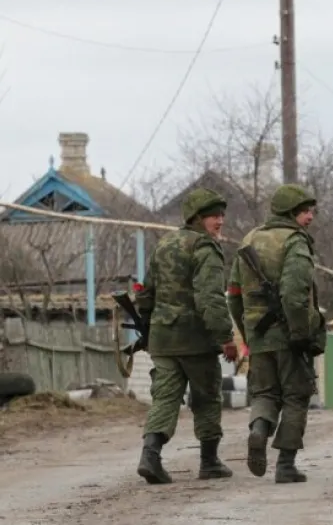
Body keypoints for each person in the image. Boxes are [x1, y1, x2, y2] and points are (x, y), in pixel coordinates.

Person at [134, 188, 239, 484]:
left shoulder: (164, 244)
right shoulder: (205, 248)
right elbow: (211, 298)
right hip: (195, 340)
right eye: (212, 216)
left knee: (164, 397)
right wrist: (226, 338)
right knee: (206, 398)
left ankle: (150, 456)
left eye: (221, 215)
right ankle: (209, 462)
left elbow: (146, 293)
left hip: (163, 339)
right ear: (197, 218)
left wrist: (148, 326)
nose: (220, 221)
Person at [226, 183, 326, 484]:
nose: (310, 217)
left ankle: (259, 430)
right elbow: (295, 295)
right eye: (305, 212)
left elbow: (233, 293)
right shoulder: (295, 242)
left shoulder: (250, 238)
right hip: (289, 334)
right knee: (296, 396)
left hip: (258, 334)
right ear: (289, 213)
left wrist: (247, 332)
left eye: (311, 212)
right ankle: (285, 464)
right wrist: (300, 334)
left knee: (265, 393)